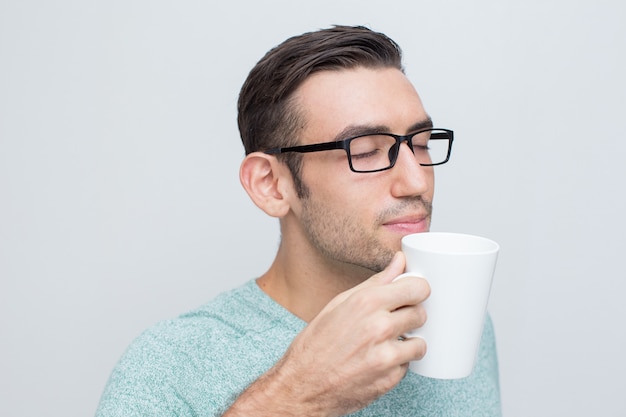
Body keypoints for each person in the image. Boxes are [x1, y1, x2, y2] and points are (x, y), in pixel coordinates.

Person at [96, 25, 501, 416]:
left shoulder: (465, 326)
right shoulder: (168, 367)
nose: (416, 181)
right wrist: (296, 397)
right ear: (271, 184)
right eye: (365, 152)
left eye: (422, 144)